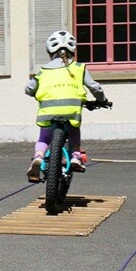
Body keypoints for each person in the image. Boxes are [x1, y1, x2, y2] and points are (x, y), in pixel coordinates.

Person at [26, 30, 107, 181]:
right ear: (72, 50)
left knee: (44, 139)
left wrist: (35, 92)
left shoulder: (43, 70)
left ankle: (38, 156)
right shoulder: (78, 68)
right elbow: (95, 87)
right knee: (74, 129)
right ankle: (76, 156)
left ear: (50, 51)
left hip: (48, 112)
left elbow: (29, 89)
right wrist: (102, 100)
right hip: (72, 111)